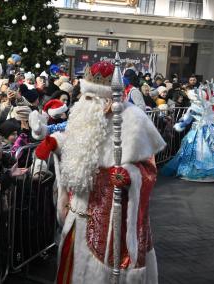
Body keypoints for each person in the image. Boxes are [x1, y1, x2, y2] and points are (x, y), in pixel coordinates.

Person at [34, 61, 165, 283]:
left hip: (112, 222)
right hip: (78, 212)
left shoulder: (132, 120)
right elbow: (81, 147)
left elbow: (148, 170)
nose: (86, 103)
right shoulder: (82, 116)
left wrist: (128, 174)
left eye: (91, 98)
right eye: (85, 97)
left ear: (107, 99)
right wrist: (57, 142)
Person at [162, 86, 214, 181]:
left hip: (199, 130)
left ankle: (196, 169)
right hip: (211, 130)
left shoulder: (193, 107)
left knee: (196, 149)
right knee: (212, 149)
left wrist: (179, 125)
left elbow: (186, 121)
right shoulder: (209, 104)